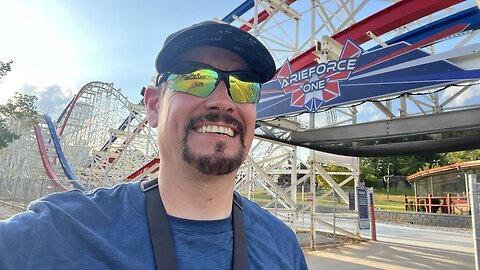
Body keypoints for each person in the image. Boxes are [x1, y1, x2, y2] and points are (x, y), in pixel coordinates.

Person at [0, 21, 308, 269]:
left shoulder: (282, 245)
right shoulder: (61, 230)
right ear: (152, 106)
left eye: (244, 85)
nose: (223, 102)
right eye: (195, 79)